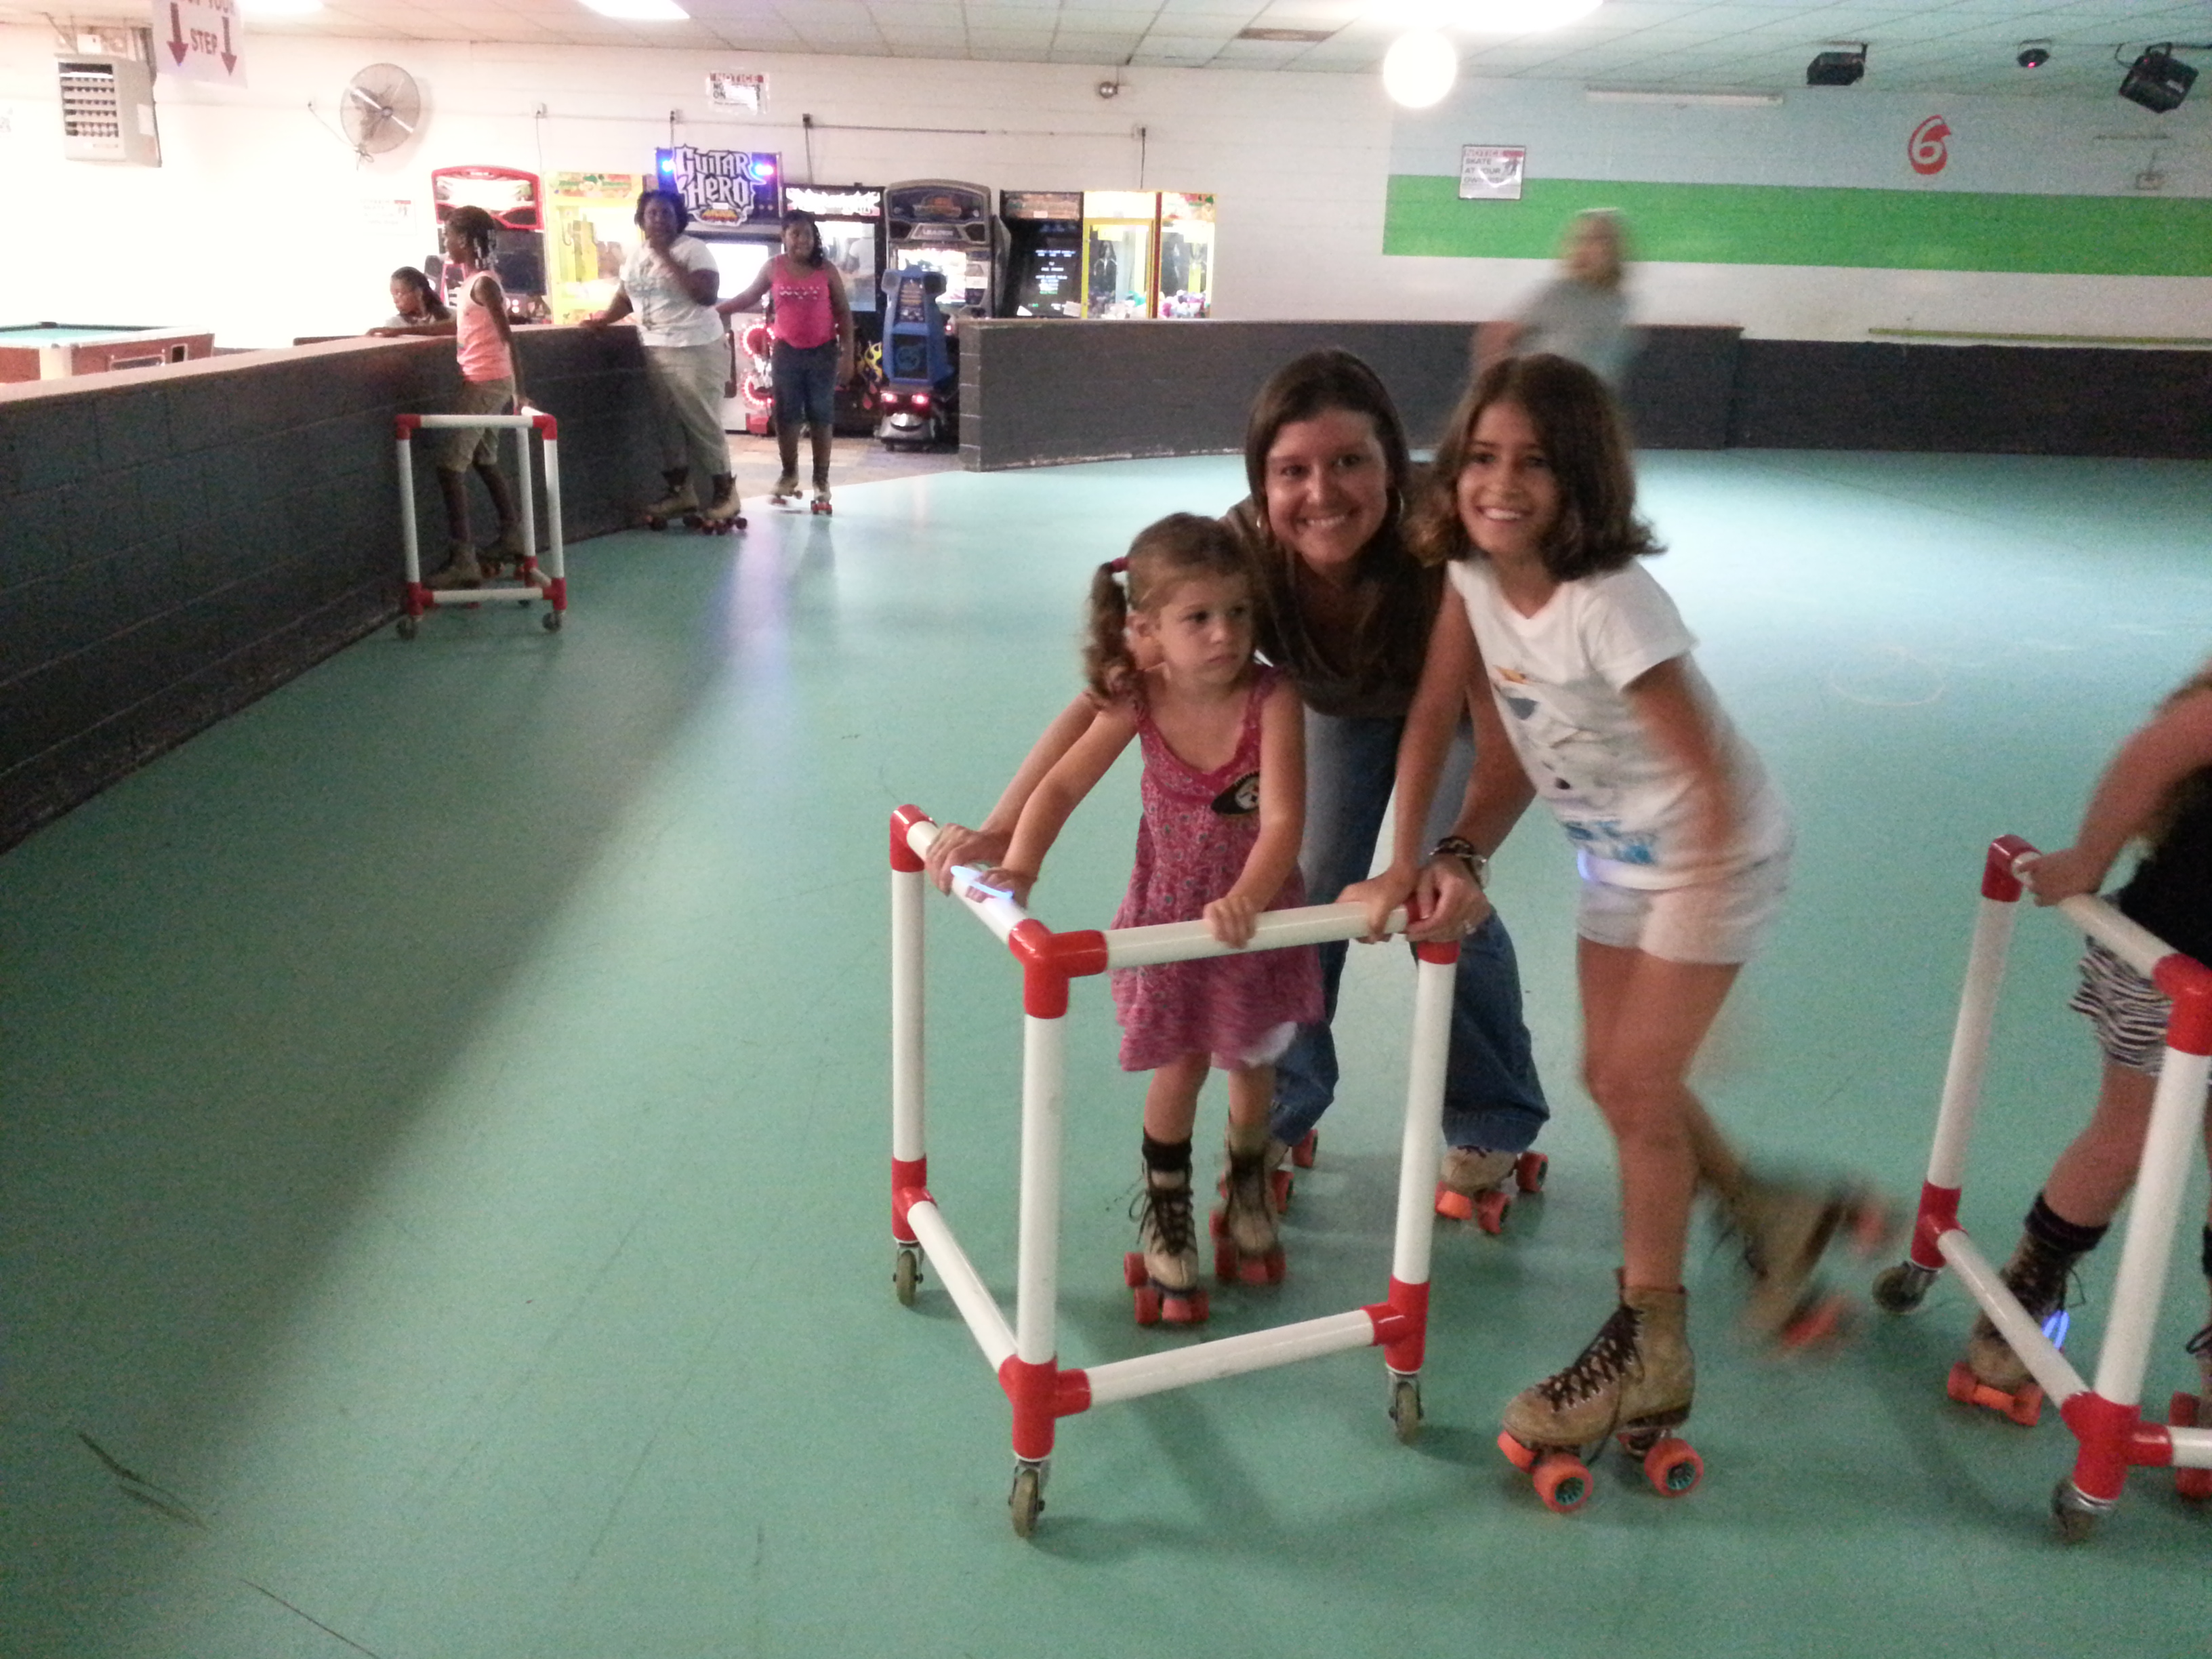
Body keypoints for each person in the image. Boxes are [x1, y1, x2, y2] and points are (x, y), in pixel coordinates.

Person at [1363, 352, 1866, 1479]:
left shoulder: (1610, 605)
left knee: (1639, 1084)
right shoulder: (1471, 578)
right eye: (1481, 457)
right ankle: (1767, 1211)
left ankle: (1652, 1346)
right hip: (1616, 858)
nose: (1500, 483)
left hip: (1711, 852)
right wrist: (1408, 860)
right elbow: (1439, 717)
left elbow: (1707, 777)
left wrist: (1698, 946)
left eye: (1533, 463)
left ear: (1579, 477)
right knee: (1614, 1077)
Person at [926, 349, 1548, 1223]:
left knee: (1443, 908)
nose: (1322, 494)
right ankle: (1287, 1102)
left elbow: (1509, 734)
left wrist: (1454, 854)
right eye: (1292, 471)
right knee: (1308, 890)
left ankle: (1491, 1114)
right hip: (1332, 707)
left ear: (1392, 464)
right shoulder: (1239, 556)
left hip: (1458, 722)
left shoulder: (1446, 550)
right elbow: (1112, 693)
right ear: (1261, 482)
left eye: (1350, 462)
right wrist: (1003, 824)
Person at [978, 514, 1324, 1322]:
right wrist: (1022, 864)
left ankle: (1247, 1182)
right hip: (1169, 920)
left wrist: (1249, 895)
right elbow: (1062, 784)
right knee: (1181, 1066)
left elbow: (1282, 822)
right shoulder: (1141, 698)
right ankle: (1168, 1207)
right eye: (1198, 618)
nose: (1224, 634)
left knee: (1253, 1062)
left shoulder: (1273, 699)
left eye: (1237, 613)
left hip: (1252, 921)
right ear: (1149, 630)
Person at [1950, 665, 2212, 1423]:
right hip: (2167, 963)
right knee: (2126, 1137)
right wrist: (2088, 860)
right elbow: (2153, 755)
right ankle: (2029, 1288)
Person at [373, 207, 525, 589]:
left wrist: (520, 390)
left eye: (449, 237)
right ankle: (512, 535)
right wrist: (400, 333)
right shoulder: (474, 282)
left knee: (449, 465)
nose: (445, 244)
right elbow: (457, 326)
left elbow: (508, 337)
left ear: (466, 241)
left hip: (486, 383)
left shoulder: (484, 284)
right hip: (487, 380)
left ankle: (464, 559)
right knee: (484, 458)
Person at [582, 189, 739, 531]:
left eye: (666, 213)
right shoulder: (636, 256)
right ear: (641, 219)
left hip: (695, 347)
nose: (658, 219)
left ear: (678, 217)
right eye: (652, 213)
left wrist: (666, 256)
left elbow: (706, 295)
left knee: (702, 422)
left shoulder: (693, 250)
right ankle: (682, 492)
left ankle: (725, 492)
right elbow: (627, 297)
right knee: (667, 423)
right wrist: (604, 320)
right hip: (655, 348)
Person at [718, 211, 855, 513]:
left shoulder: (827, 270)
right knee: (786, 415)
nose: (802, 240)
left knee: (821, 414)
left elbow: (844, 313)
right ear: (784, 237)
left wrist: (848, 356)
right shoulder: (773, 268)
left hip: (823, 353)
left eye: (807, 234)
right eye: (795, 234)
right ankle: (789, 474)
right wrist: (716, 310)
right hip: (786, 353)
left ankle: (821, 480)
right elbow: (748, 296)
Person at [1475, 210, 1637, 391]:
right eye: (1581, 240)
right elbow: (1497, 337)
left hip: (1584, 399)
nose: (1586, 248)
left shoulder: (1620, 303)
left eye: (1597, 240)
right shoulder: (1559, 294)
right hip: (1542, 395)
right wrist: (1496, 392)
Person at [381, 266, 449, 331]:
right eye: (393, 295)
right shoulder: (393, 325)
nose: (395, 301)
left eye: (399, 294)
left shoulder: (451, 317)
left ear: (419, 292)